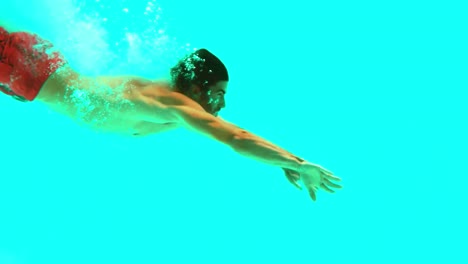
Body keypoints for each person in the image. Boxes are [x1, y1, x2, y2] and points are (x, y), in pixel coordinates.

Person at [0, 26, 342, 201]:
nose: (221, 105)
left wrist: (285, 159)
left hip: (31, 77)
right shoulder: (173, 104)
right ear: (196, 88)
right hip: (29, 69)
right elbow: (235, 138)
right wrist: (296, 164)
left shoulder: (173, 107)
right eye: (218, 94)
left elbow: (232, 130)